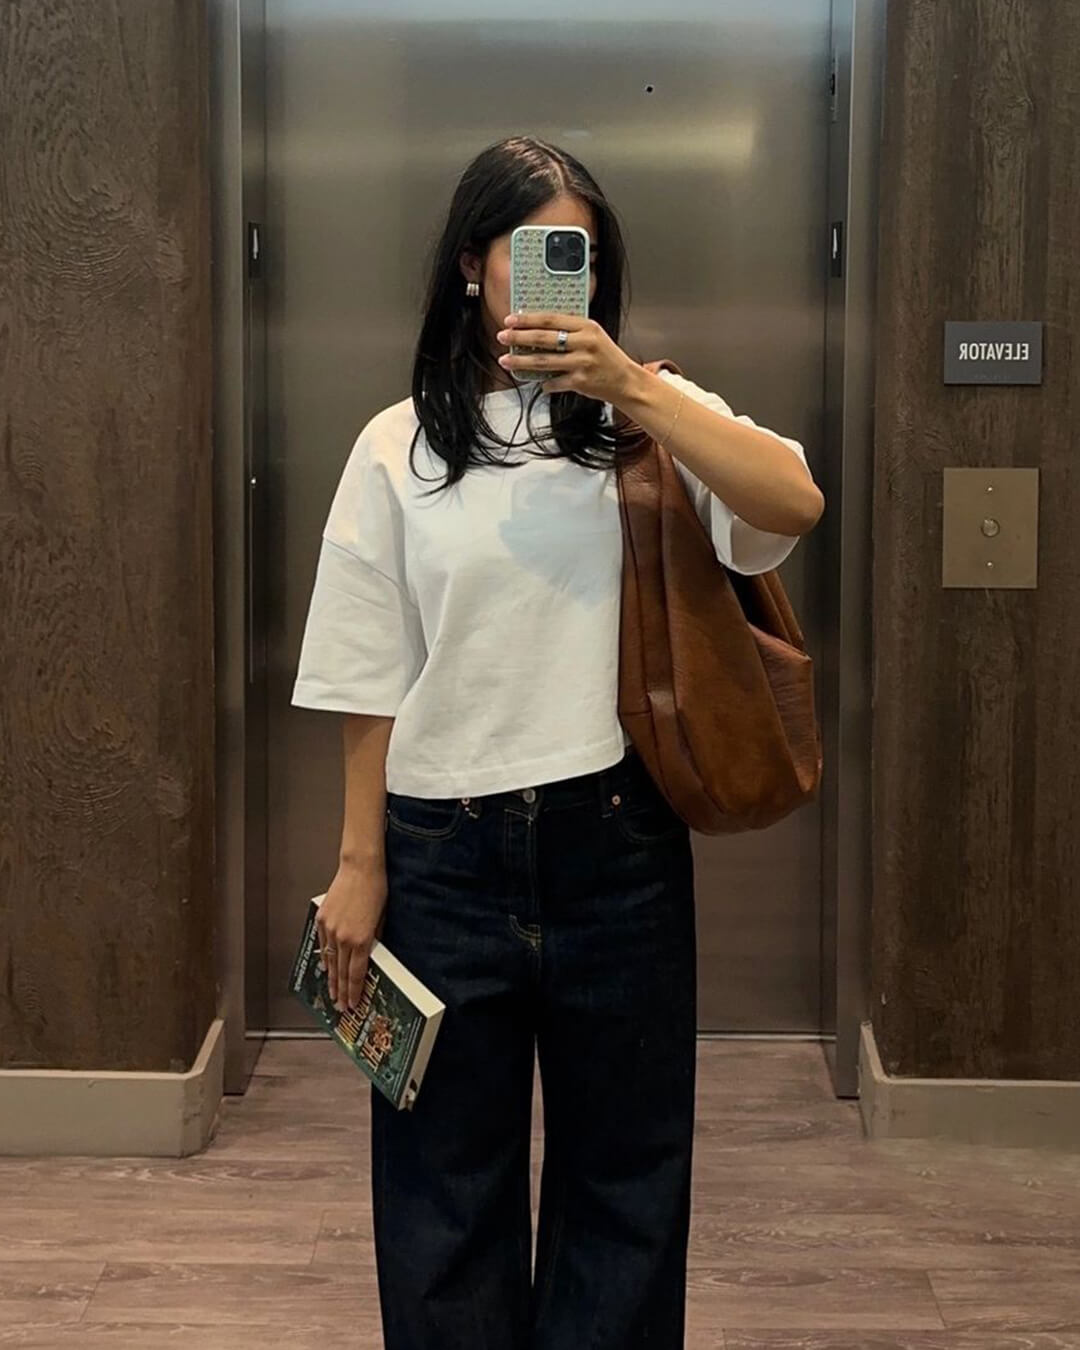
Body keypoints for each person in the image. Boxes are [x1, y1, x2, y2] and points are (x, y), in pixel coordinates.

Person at [291, 135, 823, 1350]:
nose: (550, 278)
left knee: (625, 1186)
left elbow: (793, 502)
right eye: (528, 251)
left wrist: (632, 386)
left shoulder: (647, 423)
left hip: (616, 852)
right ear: (471, 265)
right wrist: (360, 864)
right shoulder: (396, 447)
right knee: (440, 1196)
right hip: (441, 860)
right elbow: (367, 673)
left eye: (573, 255)